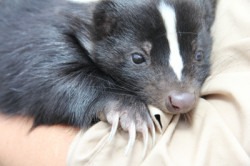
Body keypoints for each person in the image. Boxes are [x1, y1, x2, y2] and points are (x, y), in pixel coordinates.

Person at [0, 0, 250, 165]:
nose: (183, 91)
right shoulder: (61, 41)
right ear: (103, 31)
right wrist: (104, 100)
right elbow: (50, 84)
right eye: (139, 59)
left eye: (197, 56)